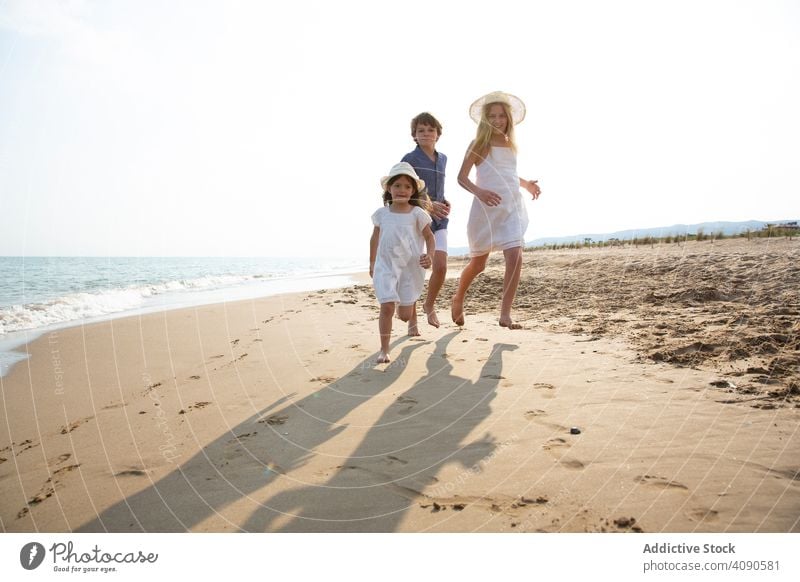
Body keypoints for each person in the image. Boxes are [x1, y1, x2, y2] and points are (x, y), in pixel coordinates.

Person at [451, 91, 541, 329]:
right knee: (478, 264)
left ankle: (505, 314)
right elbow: (461, 178)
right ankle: (458, 296)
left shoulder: (511, 144)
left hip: (511, 207)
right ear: (485, 119)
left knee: (515, 256)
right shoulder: (479, 143)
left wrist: (527, 184)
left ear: (508, 118)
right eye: (492, 116)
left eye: (501, 115)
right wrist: (479, 192)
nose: (498, 120)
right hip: (486, 211)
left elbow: (507, 173)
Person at [370, 162, 436, 363]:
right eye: (397, 185)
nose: (402, 190)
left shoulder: (417, 214)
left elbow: (430, 238)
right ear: (389, 189)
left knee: (404, 315)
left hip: (410, 268)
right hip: (386, 266)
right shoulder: (382, 214)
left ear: (413, 191)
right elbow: (374, 238)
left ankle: (410, 314)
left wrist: (430, 256)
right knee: (387, 307)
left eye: (407, 186)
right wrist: (372, 262)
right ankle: (384, 349)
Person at [401, 112, 449, 330]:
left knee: (440, 266)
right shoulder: (409, 160)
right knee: (414, 269)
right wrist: (429, 204)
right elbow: (404, 191)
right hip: (416, 219)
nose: (426, 134)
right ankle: (412, 321)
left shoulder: (444, 159)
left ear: (438, 134)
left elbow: (437, 189)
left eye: (431, 130)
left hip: (439, 219)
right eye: (421, 130)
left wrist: (444, 201)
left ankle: (429, 305)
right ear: (414, 135)